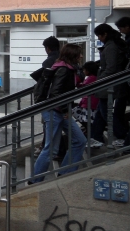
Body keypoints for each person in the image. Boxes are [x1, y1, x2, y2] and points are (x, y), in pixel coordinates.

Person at [30, 44, 87, 184]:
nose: (81, 56)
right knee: (51, 150)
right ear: (72, 55)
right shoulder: (63, 69)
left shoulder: (68, 68)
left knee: (79, 141)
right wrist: (65, 110)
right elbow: (56, 93)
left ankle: (65, 173)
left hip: (60, 111)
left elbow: (64, 88)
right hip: (55, 111)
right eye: (79, 54)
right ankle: (35, 181)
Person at [91, 24, 129, 149]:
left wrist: (99, 80)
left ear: (105, 34)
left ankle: (122, 135)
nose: (99, 38)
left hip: (109, 83)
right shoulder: (112, 45)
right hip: (110, 83)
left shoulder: (111, 46)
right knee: (100, 111)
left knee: (104, 112)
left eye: (99, 36)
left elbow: (111, 68)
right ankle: (96, 137)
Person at [72, 61, 101, 147]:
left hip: (89, 103)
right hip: (90, 102)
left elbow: (83, 87)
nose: (83, 71)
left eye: (84, 70)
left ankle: (89, 136)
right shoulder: (95, 77)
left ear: (88, 70)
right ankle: (88, 133)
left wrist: (77, 82)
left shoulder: (91, 78)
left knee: (84, 119)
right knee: (86, 119)